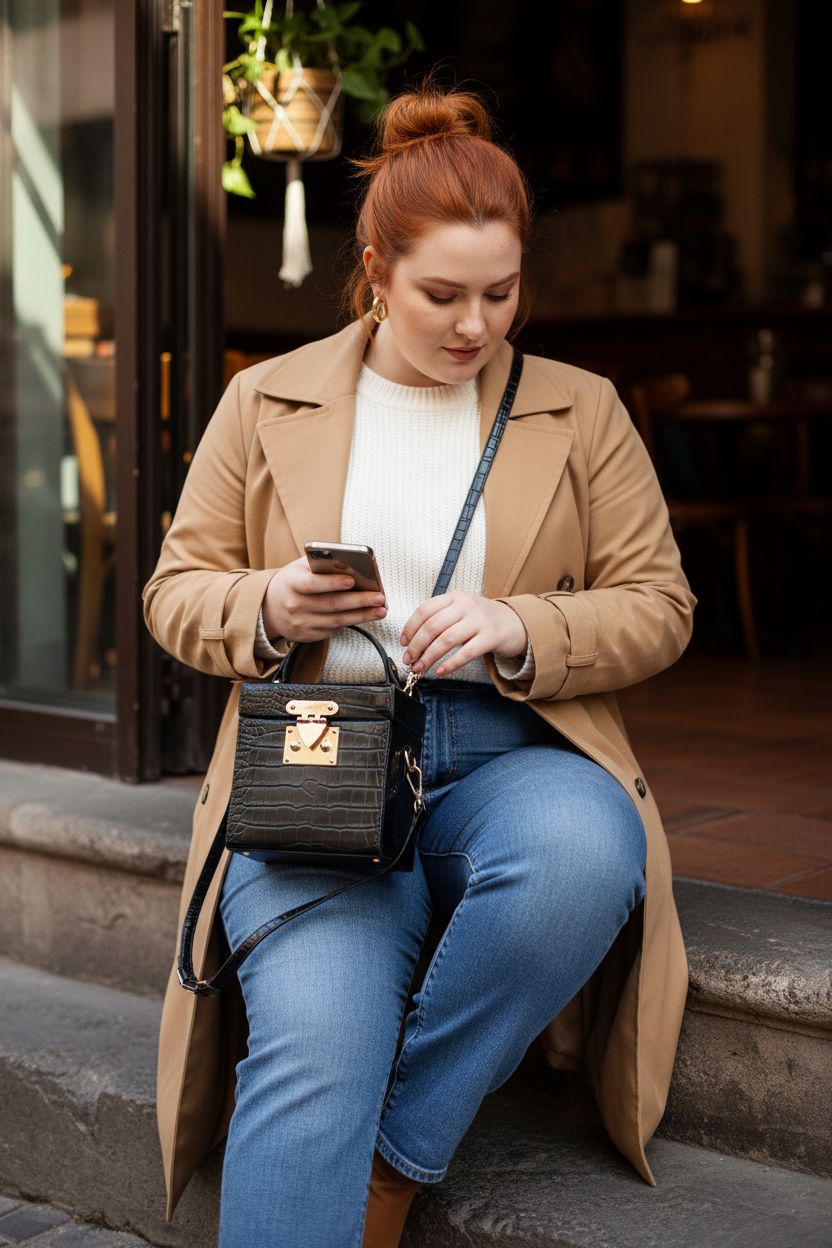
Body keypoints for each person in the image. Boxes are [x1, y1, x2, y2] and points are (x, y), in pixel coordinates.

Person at [143, 81, 696, 1248]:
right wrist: (268, 602)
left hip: (510, 752)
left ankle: (396, 1155)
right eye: (442, 294)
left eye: (502, 293)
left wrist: (519, 625)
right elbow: (174, 593)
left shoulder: (581, 409)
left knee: (584, 852)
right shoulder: (264, 398)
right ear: (375, 270)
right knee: (315, 1043)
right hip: (315, 755)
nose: (475, 325)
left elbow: (660, 607)